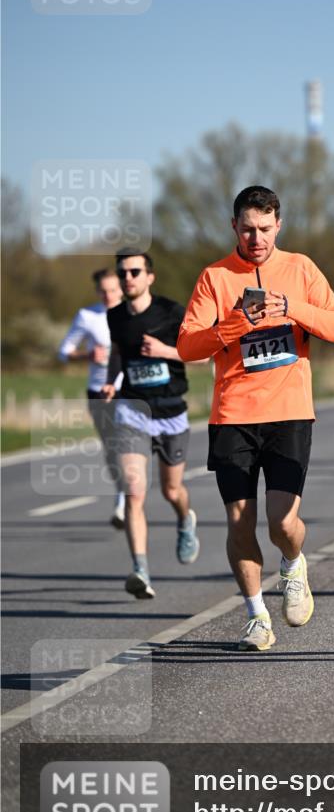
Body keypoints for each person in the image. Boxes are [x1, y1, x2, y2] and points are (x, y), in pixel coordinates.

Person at [177, 185, 334, 652]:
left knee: (282, 522)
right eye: (248, 229)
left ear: (279, 226)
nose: (257, 239)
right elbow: (187, 345)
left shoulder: (301, 268)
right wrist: (236, 323)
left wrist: (292, 308)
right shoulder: (215, 277)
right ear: (234, 226)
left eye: (265, 229)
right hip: (232, 415)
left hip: (289, 412)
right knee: (239, 521)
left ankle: (293, 564)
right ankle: (256, 615)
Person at [101, 249, 200, 600]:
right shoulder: (115, 316)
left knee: (171, 491)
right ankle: (140, 570)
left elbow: (202, 354)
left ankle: (185, 520)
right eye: (122, 273)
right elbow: (118, 354)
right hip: (132, 411)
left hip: (171, 413)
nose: (127, 278)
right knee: (134, 490)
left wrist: (165, 351)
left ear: (149, 276)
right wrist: (111, 380)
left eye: (135, 272)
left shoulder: (172, 312)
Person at [58, 268, 126, 528]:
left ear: (121, 289)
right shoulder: (87, 316)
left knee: (126, 445)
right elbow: (64, 351)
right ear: (97, 291)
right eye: (103, 291)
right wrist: (86, 355)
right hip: (99, 391)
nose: (108, 295)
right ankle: (122, 493)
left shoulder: (132, 313)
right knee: (112, 449)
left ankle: (124, 501)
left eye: (113, 290)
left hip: (129, 389)